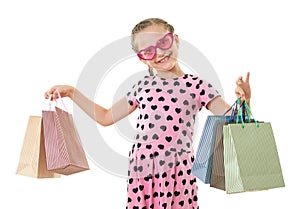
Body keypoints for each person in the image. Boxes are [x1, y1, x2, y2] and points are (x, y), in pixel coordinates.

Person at [45, 18, 251, 209]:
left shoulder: (197, 86)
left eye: (163, 43)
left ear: (176, 40)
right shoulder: (142, 86)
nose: (159, 54)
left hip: (178, 170)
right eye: (148, 51)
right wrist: (72, 92)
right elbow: (106, 117)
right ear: (142, 59)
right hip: (142, 169)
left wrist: (245, 99)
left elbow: (230, 118)